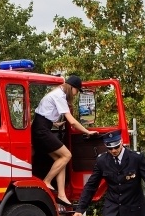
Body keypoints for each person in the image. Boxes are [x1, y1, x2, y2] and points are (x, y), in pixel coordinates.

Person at [32, 75, 98, 206]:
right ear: (72, 88)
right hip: (41, 131)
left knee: (61, 159)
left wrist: (55, 124)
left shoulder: (56, 93)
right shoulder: (60, 95)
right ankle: (46, 181)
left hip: (41, 128)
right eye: (77, 91)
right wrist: (87, 131)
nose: (76, 93)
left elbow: (43, 114)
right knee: (67, 155)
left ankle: (61, 195)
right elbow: (72, 122)